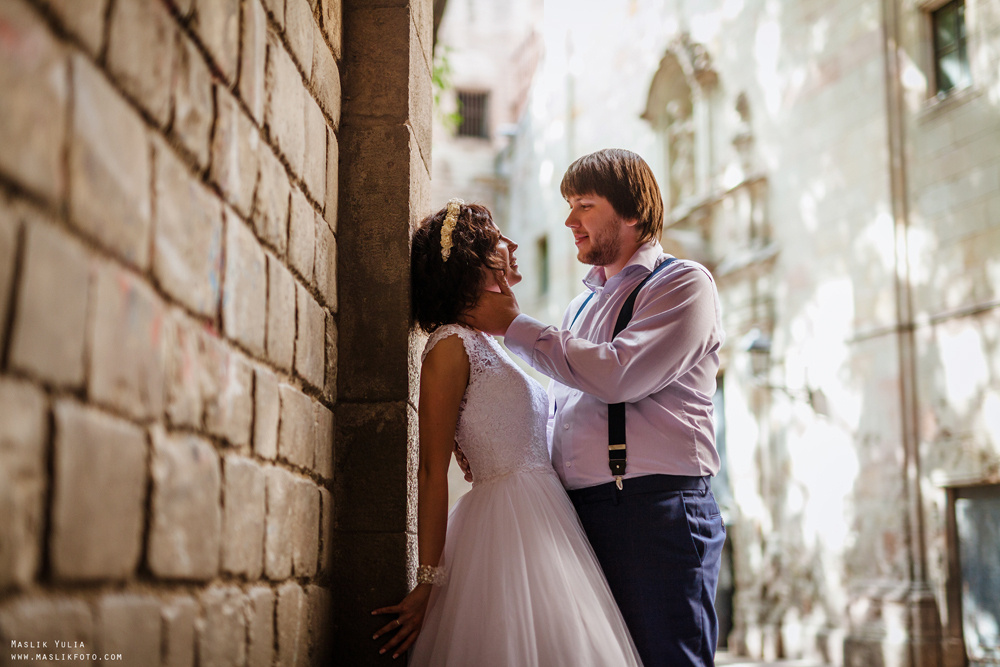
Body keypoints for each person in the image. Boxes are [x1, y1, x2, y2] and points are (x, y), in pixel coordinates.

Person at [466, 148, 726, 667]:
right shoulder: (578, 307)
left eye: (584, 206)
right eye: (569, 206)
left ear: (631, 212)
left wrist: (513, 325)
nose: (570, 221)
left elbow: (617, 374)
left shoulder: (683, 284)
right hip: (576, 515)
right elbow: (562, 412)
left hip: (654, 513)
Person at [371, 200, 642, 666]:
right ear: (472, 260)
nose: (513, 244)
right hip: (503, 527)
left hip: (549, 520)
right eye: (498, 237)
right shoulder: (450, 345)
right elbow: (432, 469)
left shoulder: (492, 344)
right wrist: (429, 580)